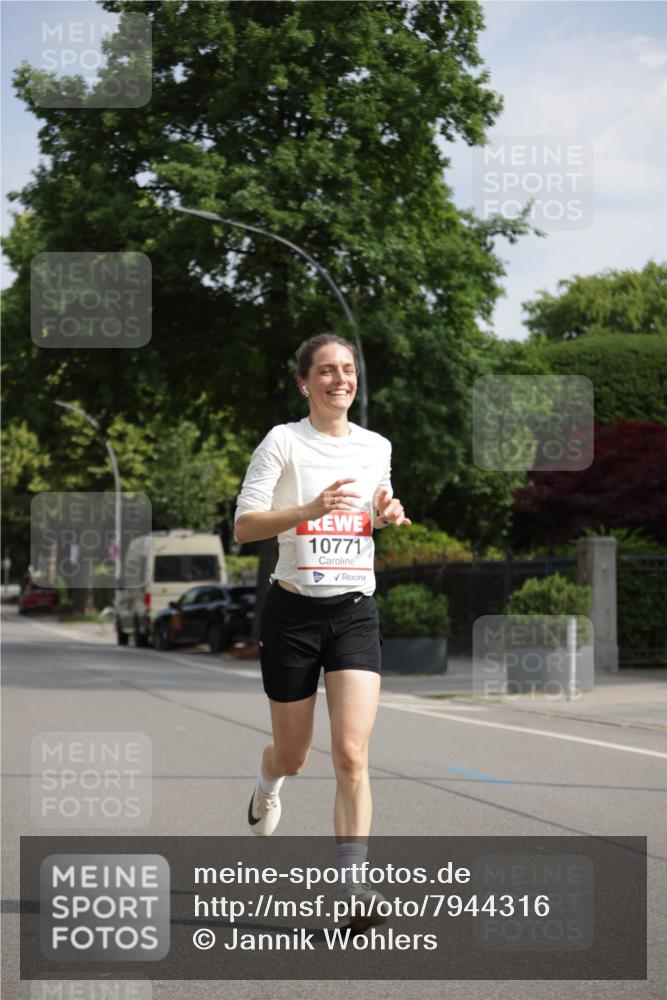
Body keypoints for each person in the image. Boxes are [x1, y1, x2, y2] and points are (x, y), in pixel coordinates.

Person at [234, 332, 411, 932]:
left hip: (355, 610)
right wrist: (308, 510)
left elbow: (376, 507)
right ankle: (266, 784)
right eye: (327, 371)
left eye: (348, 369)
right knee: (294, 753)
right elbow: (245, 526)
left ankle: (354, 889)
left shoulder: (376, 445)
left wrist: (387, 513)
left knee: (352, 753)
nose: (341, 379)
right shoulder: (283, 442)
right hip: (293, 613)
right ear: (304, 382)